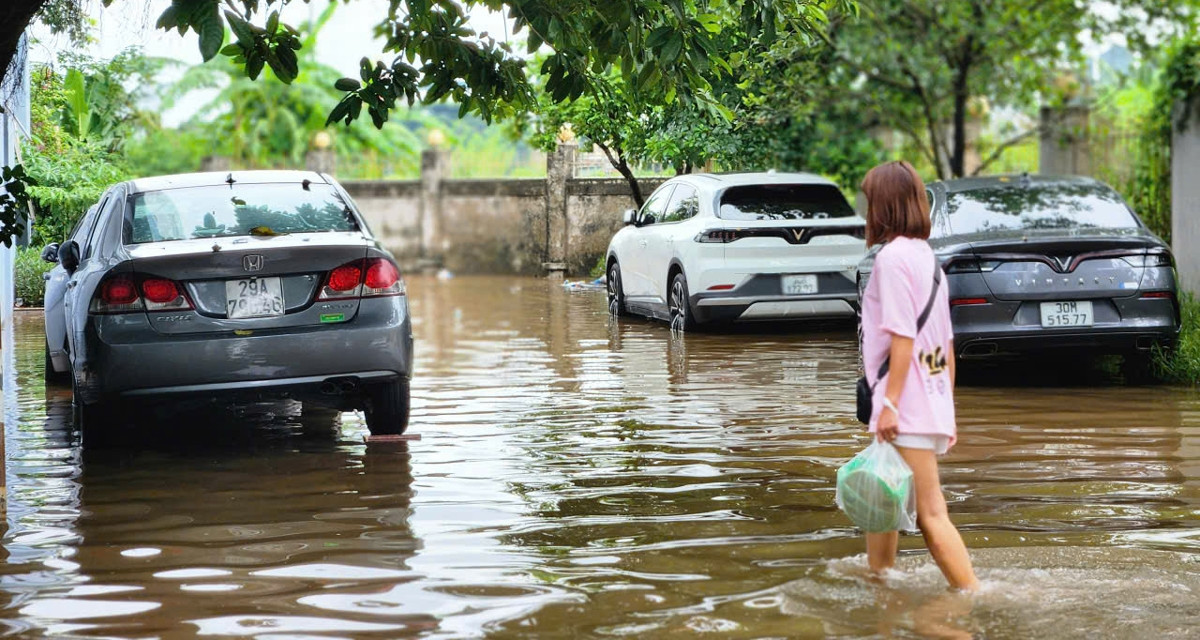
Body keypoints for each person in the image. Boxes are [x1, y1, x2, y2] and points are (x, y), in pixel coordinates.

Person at [858, 160, 978, 591]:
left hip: (903, 404)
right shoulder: (927, 259)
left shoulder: (891, 260)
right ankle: (880, 585)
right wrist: (946, 408)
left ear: (883, 206)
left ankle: (973, 597)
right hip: (926, 398)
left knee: (930, 514)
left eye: (870, 200)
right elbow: (945, 344)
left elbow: (903, 337)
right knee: (882, 499)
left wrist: (889, 404)